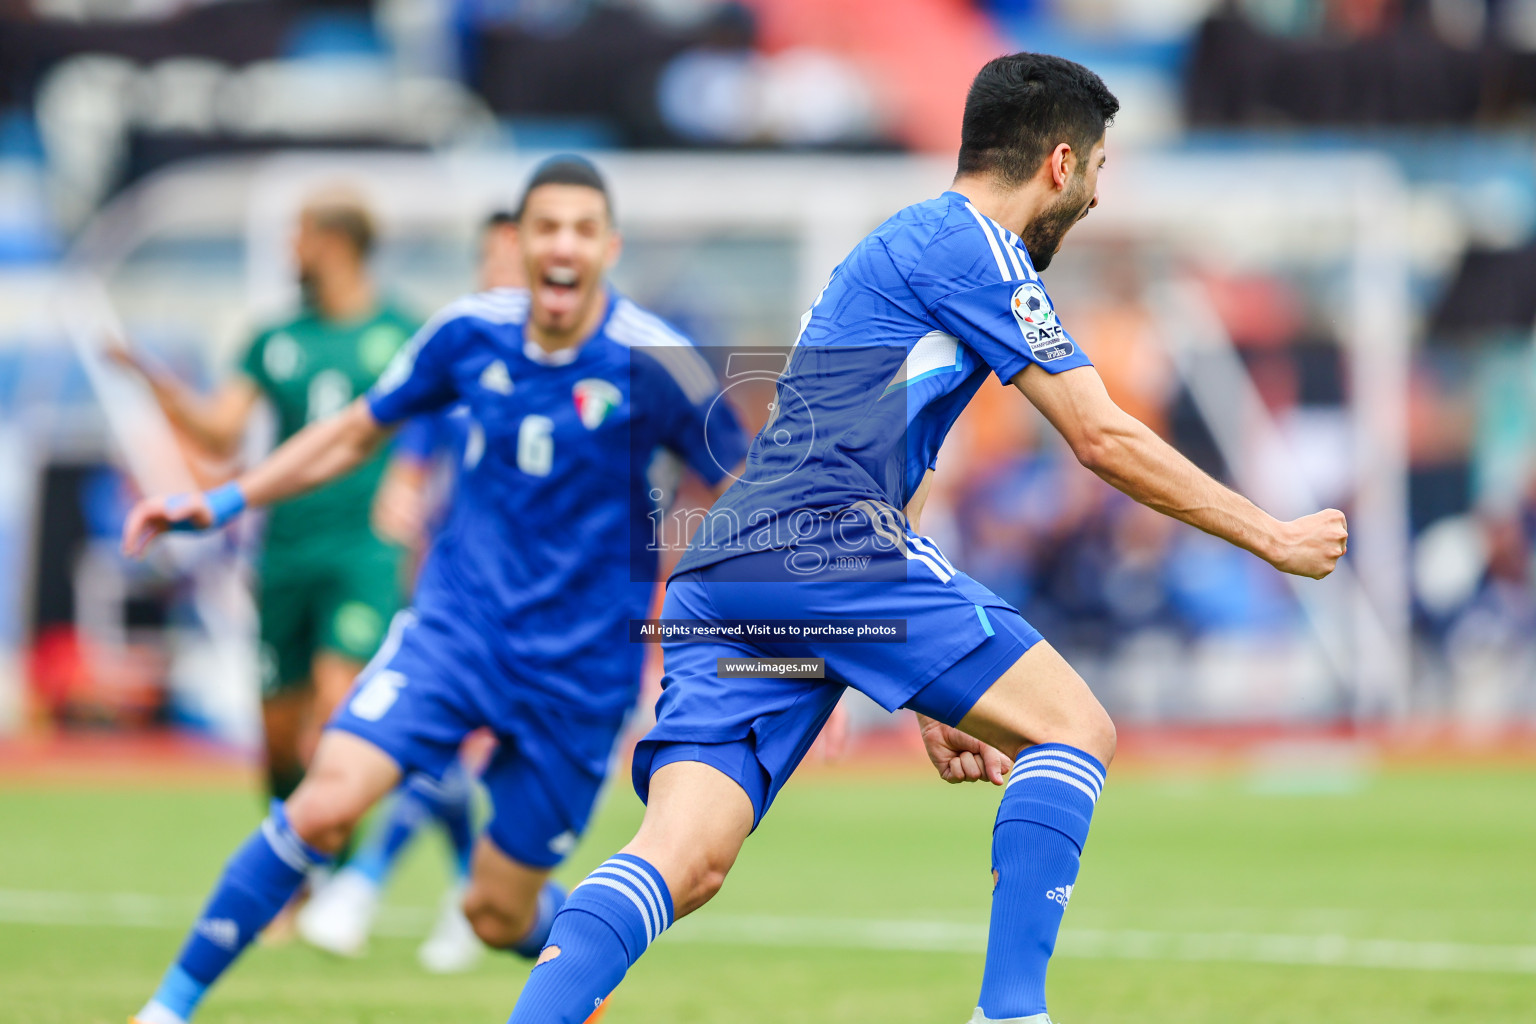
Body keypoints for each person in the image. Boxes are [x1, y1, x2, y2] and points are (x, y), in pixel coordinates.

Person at [504, 54, 1349, 1024]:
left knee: (682, 859)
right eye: (1102, 170)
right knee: (1076, 728)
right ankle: (1012, 1014)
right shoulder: (978, 248)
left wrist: (923, 684)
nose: (1100, 197)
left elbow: (878, 457)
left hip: (735, 561)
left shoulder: (902, 248)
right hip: (822, 539)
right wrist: (1271, 534)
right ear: (1061, 163)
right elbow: (1100, 434)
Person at [122, 156, 748, 1024]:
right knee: (322, 803)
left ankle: (578, 961)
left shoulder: (659, 364)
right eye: (545, 227)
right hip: (457, 636)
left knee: (492, 913)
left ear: (608, 246)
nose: (561, 245)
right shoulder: (465, 334)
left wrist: (725, 625)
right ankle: (165, 1009)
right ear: (520, 244)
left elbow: (744, 491)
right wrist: (224, 499)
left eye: (580, 229)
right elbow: (352, 432)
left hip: (581, 676)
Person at [109, 190, 417, 809]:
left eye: (298, 235)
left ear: (333, 244)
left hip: (363, 550)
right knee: (279, 736)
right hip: (284, 551)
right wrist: (154, 381)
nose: (289, 250)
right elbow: (222, 435)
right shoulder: (273, 339)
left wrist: (410, 483)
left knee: (339, 708)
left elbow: (435, 430)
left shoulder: (403, 333)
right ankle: (293, 855)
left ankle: (335, 873)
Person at [297, 208, 528, 973]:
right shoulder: (461, 362)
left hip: (544, 610)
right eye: (489, 259)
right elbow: (411, 467)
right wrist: (400, 500)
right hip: (455, 596)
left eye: (512, 259)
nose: (499, 273)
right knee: (438, 749)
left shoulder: (580, 370)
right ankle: (414, 891)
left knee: (462, 757)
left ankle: (380, 886)